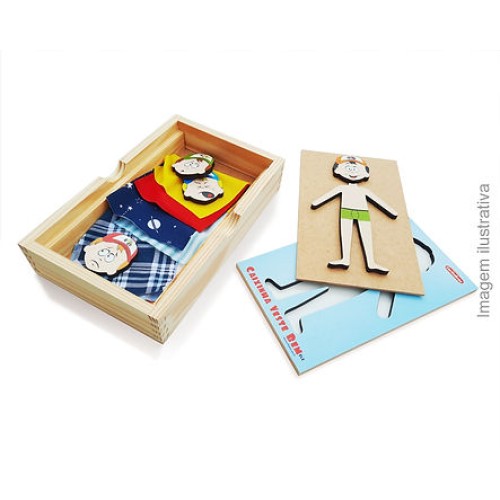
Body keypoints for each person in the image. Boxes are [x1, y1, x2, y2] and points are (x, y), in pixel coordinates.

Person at [311, 155, 398, 274]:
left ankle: (371, 262)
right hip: (346, 213)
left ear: (365, 173)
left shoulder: (364, 191)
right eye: (348, 168)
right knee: (346, 236)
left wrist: (392, 211)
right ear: (338, 170)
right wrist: (316, 203)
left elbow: (378, 201)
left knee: (366, 237)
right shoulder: (342, 188)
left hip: (363, 214)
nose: (353, 172)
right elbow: (326, 197)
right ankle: (345, 259)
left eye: (357, 169)